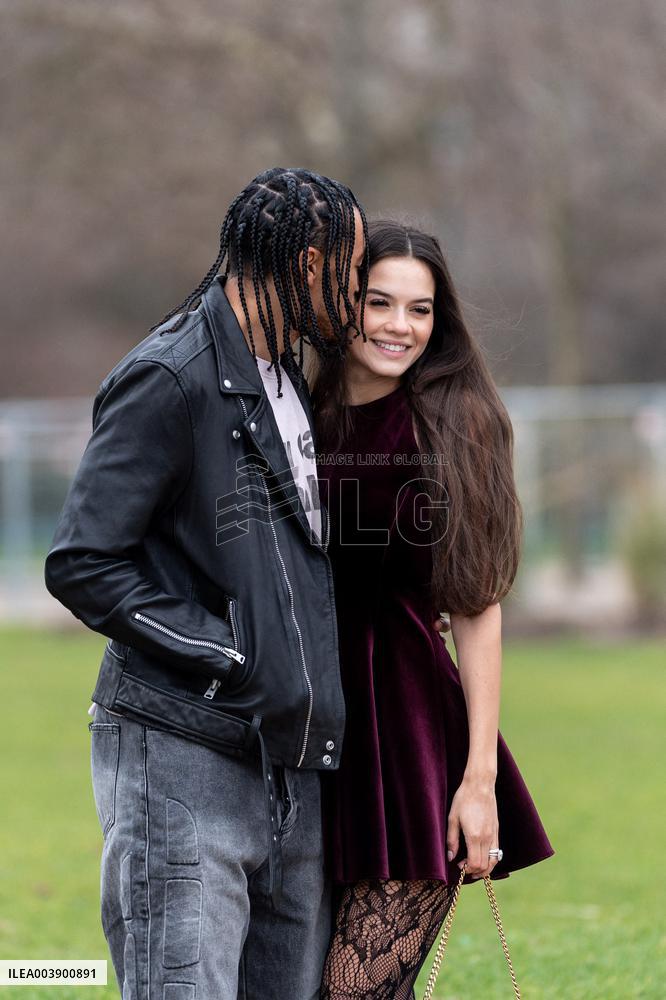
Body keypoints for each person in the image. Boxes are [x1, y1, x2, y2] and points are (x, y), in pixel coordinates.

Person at [44, 167, 369, 1000]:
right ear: (306, 265)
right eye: (352, 270)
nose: (360, 293)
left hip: (289, 768)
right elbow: (83, 561)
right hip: (179, 763)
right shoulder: (170, 375)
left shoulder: (288, 378)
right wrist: (230, 654)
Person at [310, 220, 556, 999]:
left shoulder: (454, 421)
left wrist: (477, 780)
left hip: (406, 736)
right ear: (339, 304)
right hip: (301, 726)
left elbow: (477, 604)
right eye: (378, 302)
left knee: (356, 993)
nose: (398, 326)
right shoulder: (293, 411)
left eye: (419, 311)